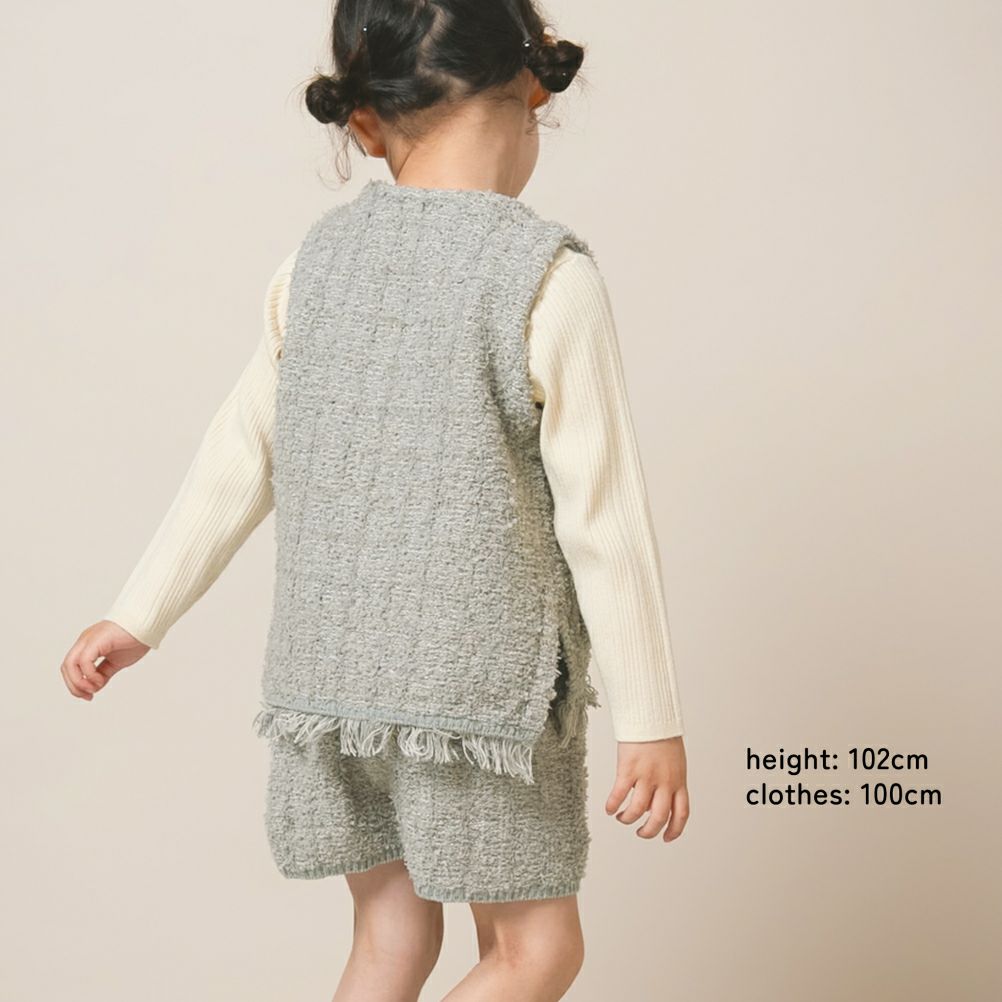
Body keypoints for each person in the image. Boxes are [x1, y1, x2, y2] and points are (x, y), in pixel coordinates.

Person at [59, 2, 690, 999]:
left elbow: (241, 450)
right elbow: (602, 520)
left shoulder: (314, 266)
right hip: (478, 699)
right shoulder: (545, 279)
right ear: (532, 91)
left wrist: (139, 613)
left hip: (332, 687)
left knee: (388, 940)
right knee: (533, 953)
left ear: (363, 121)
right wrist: (650, 715)